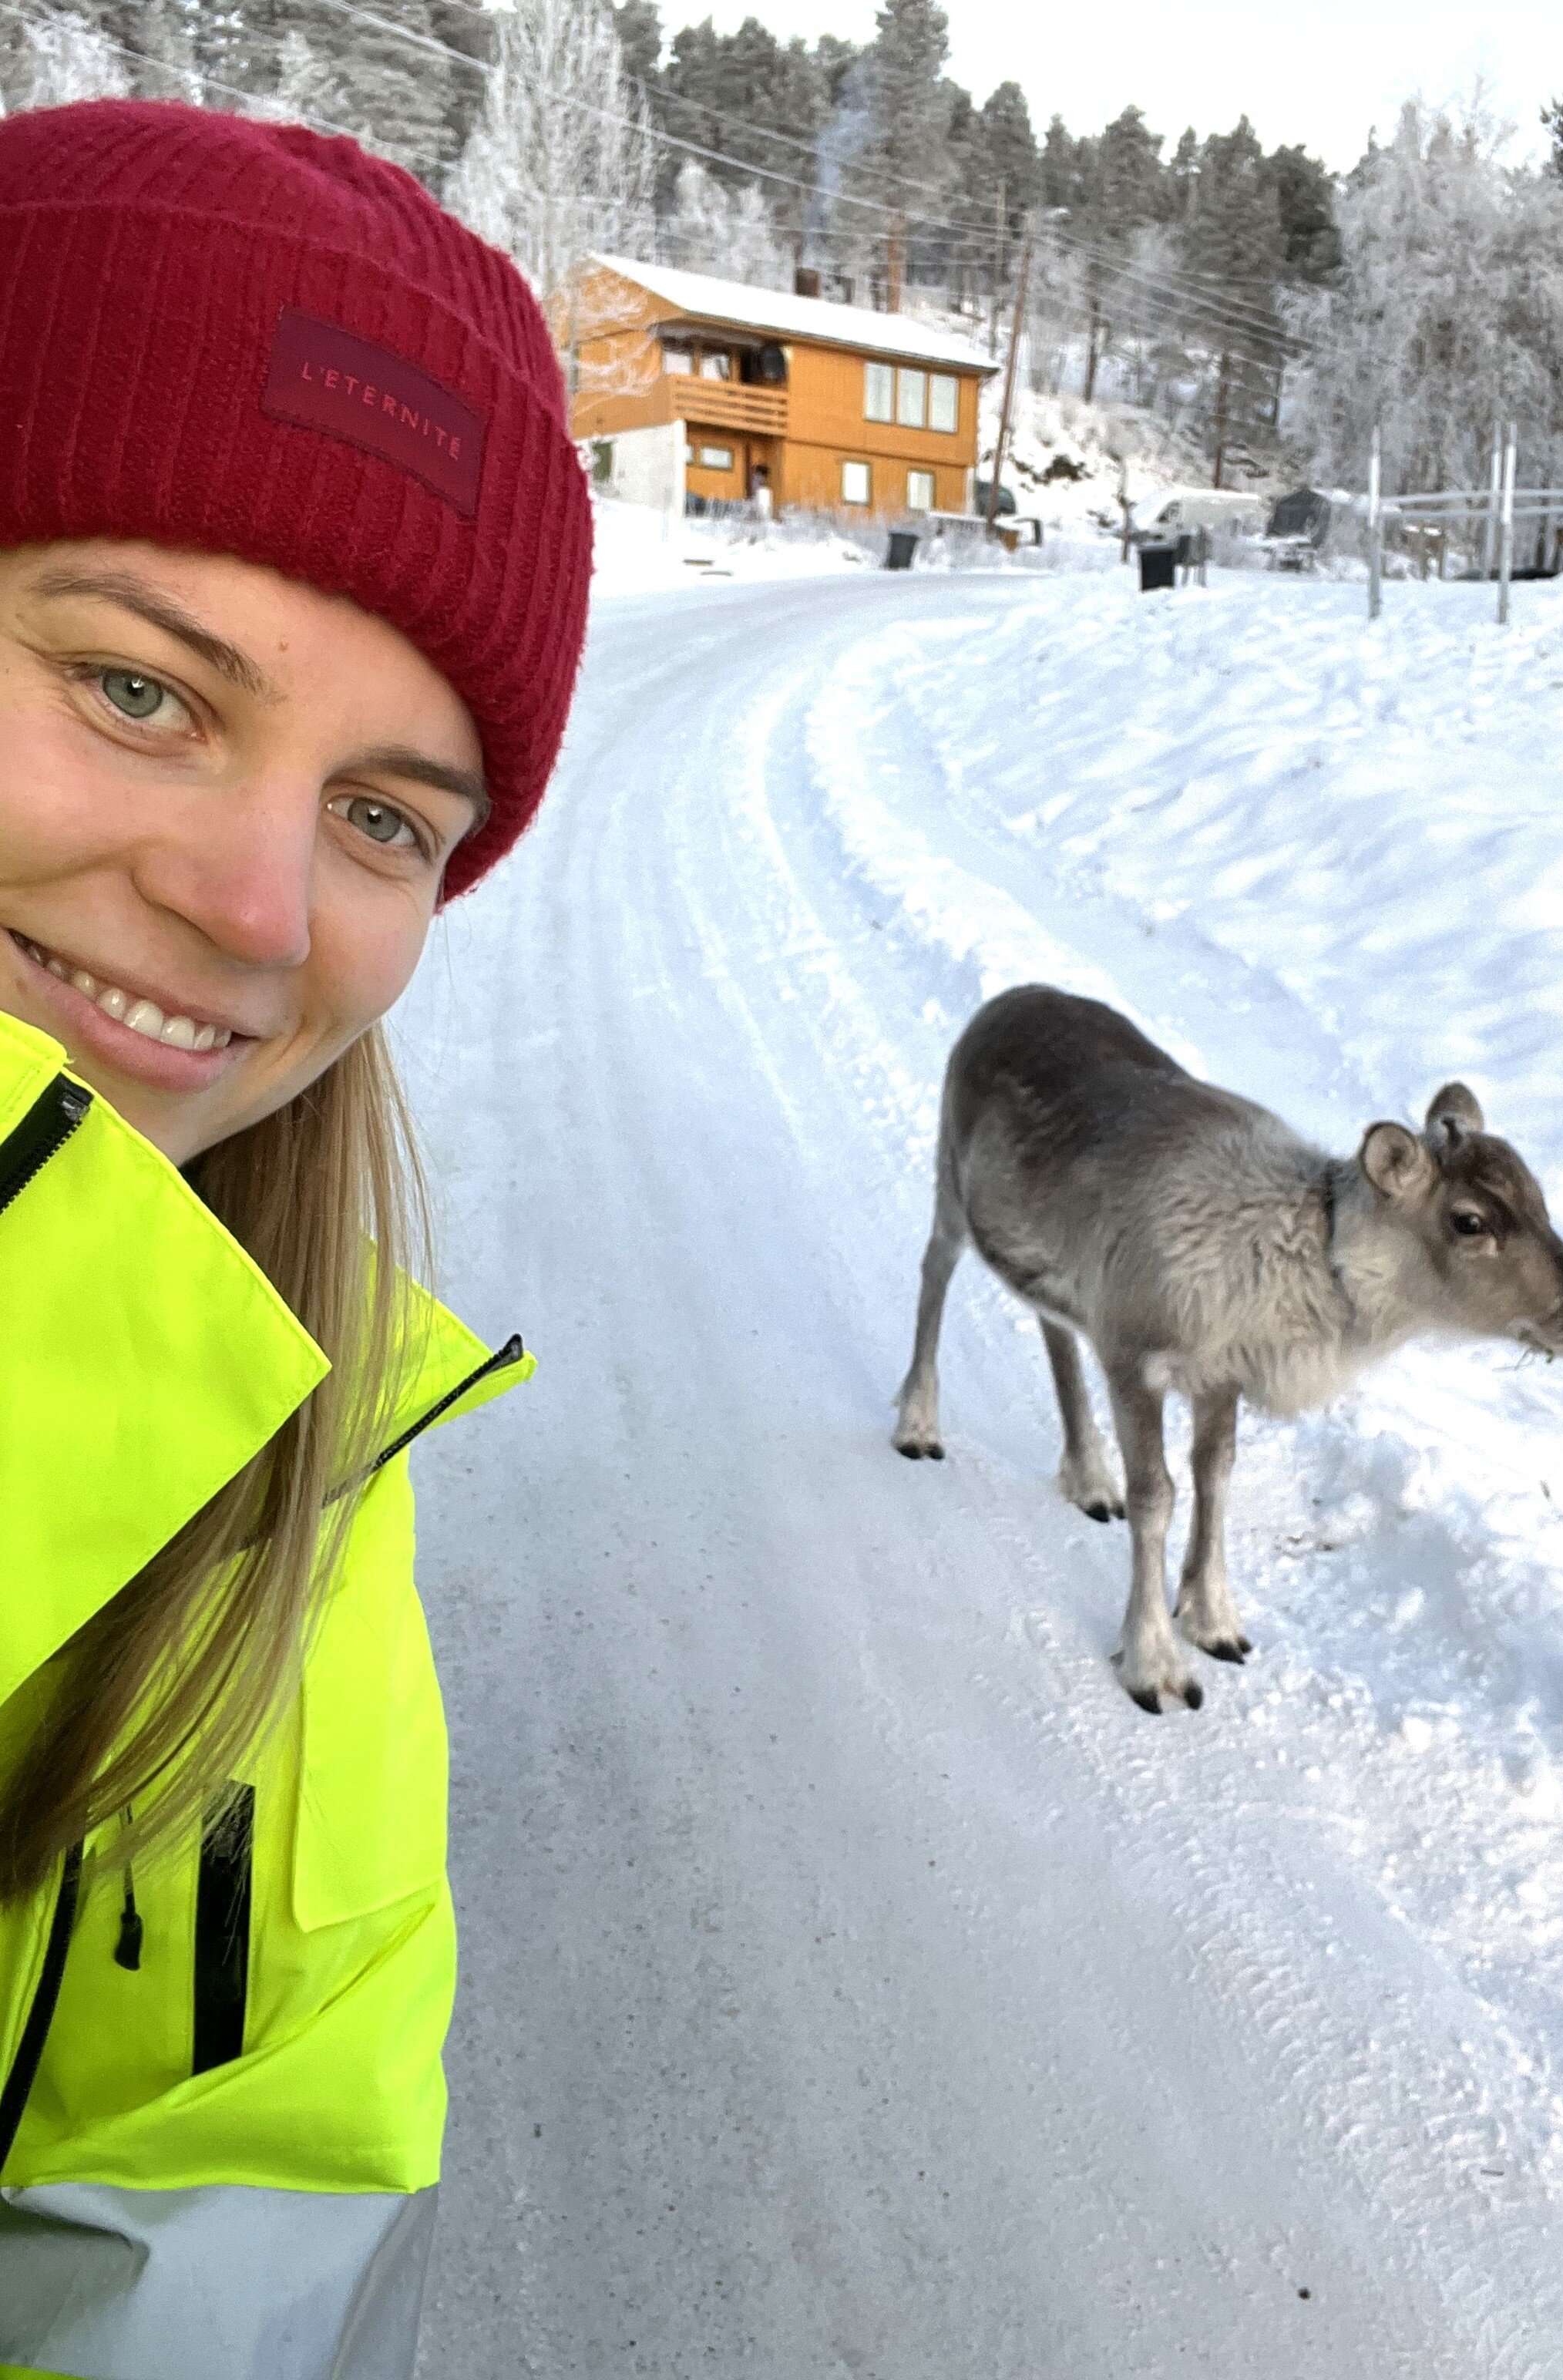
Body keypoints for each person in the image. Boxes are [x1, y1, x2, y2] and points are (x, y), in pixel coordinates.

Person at [0, 100, 591, 2379]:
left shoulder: (284, 1457)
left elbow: (235, 2224)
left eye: (380, 819)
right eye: (138, 687)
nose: (257, 921)